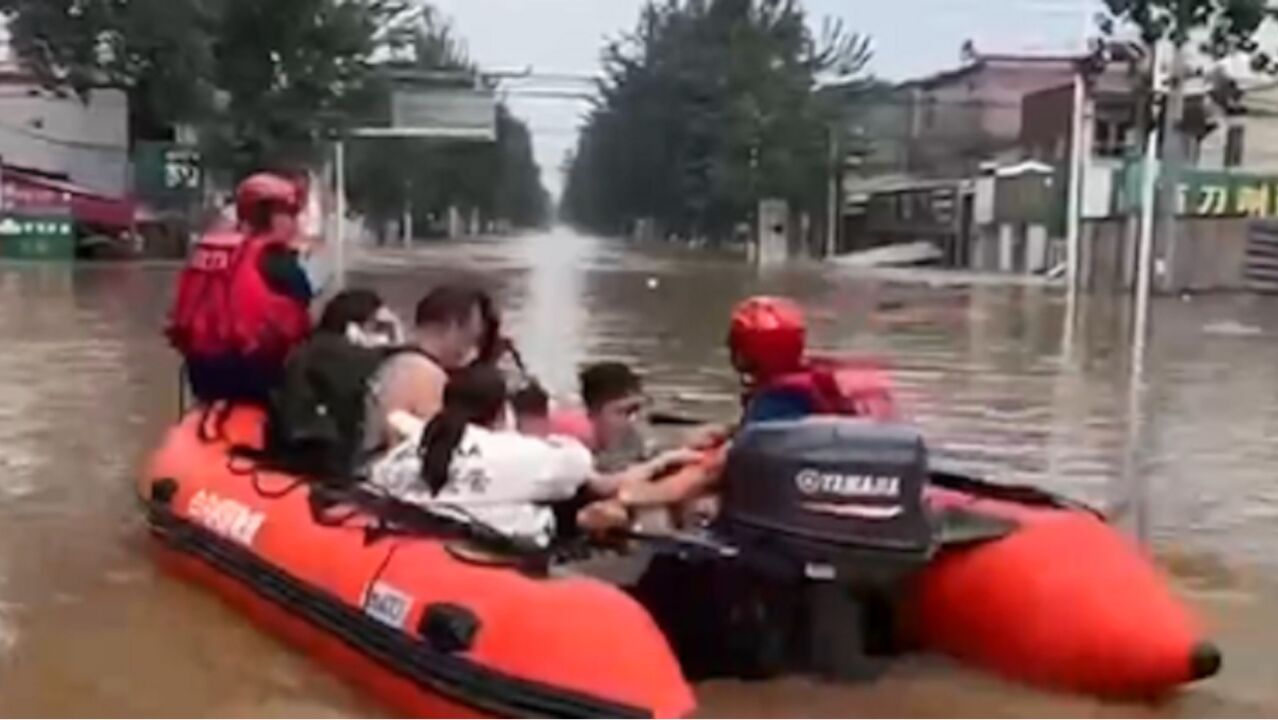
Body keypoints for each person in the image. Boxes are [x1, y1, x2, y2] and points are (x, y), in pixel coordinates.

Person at [367, 365, 688, 548]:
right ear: (503, 412)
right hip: (494, 558)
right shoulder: (528, 455)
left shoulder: (408, 451)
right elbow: (604, 485)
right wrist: (666, 462)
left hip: (427, 545)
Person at [167, 172, 316, 405]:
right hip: (257, 375)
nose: (295, 223)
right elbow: (304, 302)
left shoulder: (207, 251)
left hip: (200, 374)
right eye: (290, 214)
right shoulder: (276, 259)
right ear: (271, 216)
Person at [261, 289, 403, 478]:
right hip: (316, 459)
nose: (383, 336)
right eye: (377, 327)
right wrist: (399, 337)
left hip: (297, 451)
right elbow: (390, 358)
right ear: (352, 327)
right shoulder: (332, 353)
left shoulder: (314, 349)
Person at [362, 284, 490, 454]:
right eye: (470, 338)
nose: (470, 350)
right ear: (453, 327)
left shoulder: (391, 361)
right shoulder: (425, 375)